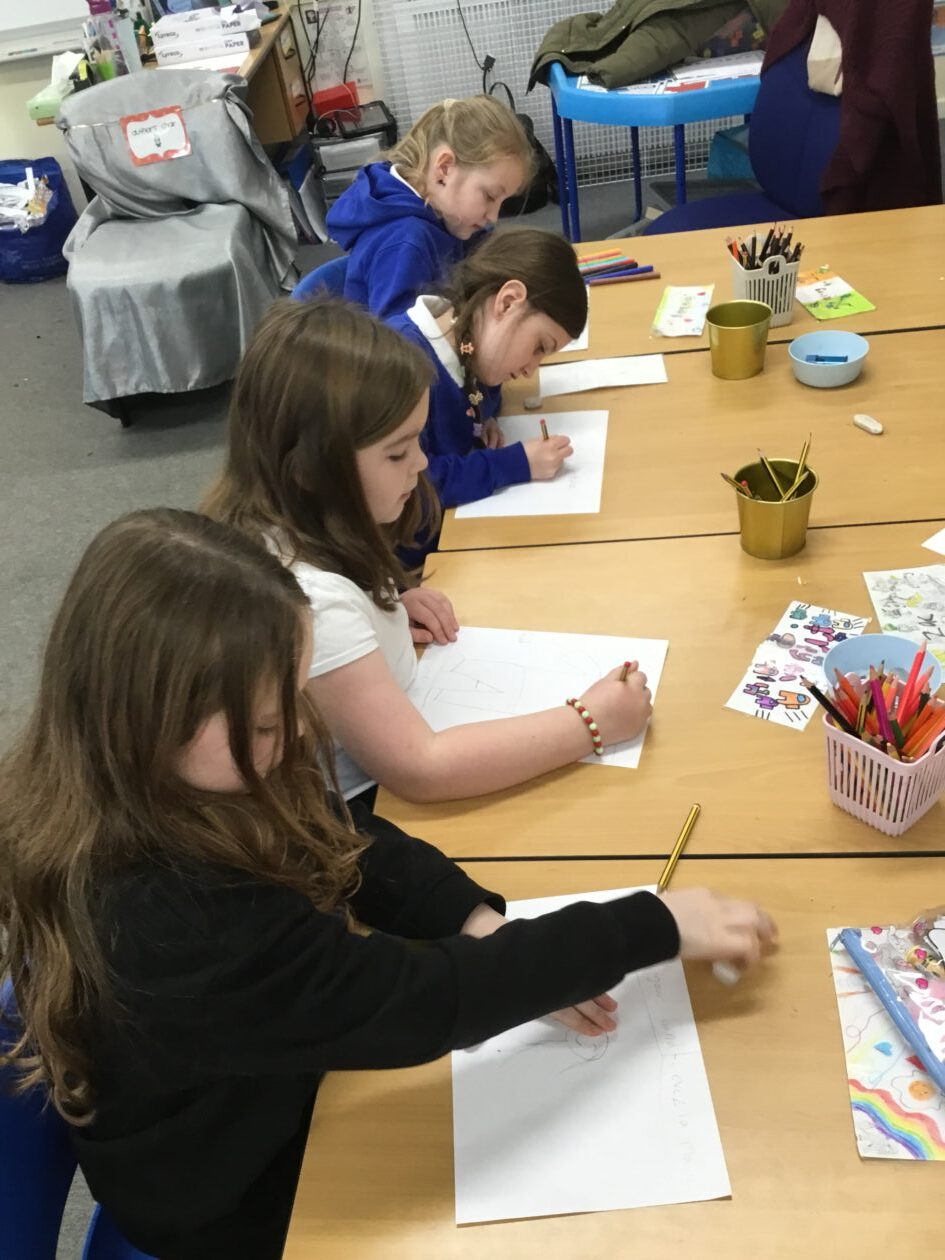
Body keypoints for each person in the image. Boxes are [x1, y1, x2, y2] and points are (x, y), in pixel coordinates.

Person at [0, 509, 778, 1259]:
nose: (297, 733)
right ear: (145, 721)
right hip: (236, 1203)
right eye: (268, 724)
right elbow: (421, 1000)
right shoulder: (170, 921)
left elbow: (332, 829)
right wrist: (650, 925)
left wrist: (470, 915)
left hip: (258, 1093)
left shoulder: (165, 780)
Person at [203, 298, 650, 805]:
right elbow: (422, 769)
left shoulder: (303, 522)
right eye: (397, 452)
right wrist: (589, 723)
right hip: (366, 811)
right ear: (309, 470)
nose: (420, 464)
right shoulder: (314, 607)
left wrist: (384, 609)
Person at [388, 227, 585, 513]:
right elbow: (415, 485)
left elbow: (478, 394)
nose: (530, 371)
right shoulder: (403, 365)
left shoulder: (473, 347)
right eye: (539, 347)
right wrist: (517, 464)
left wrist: (483, 419)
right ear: (508, 302)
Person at [325, 95, 534, 318]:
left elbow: (485, 254)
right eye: (490, 196)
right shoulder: (403, 242)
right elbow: (397, 337)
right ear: (444, 169)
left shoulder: (450, 215)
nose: (494, 216)